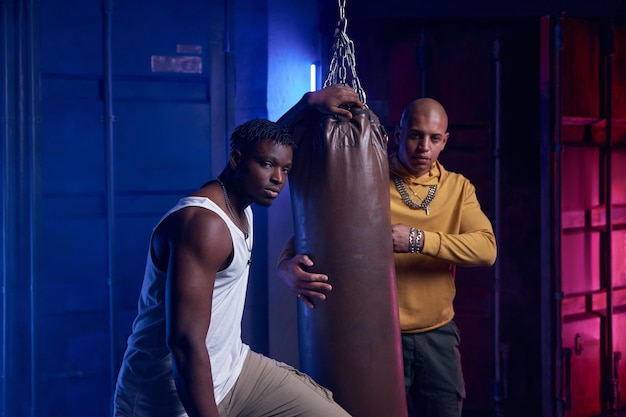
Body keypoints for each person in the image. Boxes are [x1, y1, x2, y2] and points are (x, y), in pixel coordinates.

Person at [277, 89, 497, 417]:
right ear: (399, 134)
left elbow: (486, 249)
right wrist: (285, 269)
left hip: (436, 335)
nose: (424, 147)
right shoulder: (366, 178)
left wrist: (418, 240)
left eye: (434, 138)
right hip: (376, 338)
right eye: (415, 136)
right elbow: (312, 236)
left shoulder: (458, 188)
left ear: (444, 141)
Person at [113, 117, 353, 417]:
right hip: (167, 395)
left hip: (232, 370)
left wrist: (309, 105)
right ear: (236, 159)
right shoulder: (204, 225)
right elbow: (184, 343)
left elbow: (264, 142)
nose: (278, 178)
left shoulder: (241, 201)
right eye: (268, 165)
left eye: (285, 169)